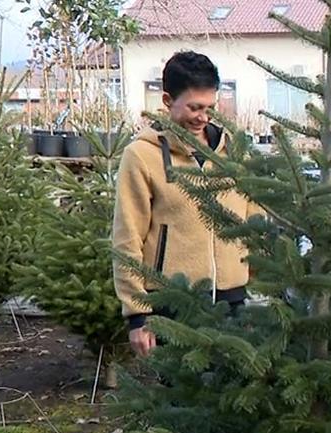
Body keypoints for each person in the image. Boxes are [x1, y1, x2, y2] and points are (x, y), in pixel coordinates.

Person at [112, 51, 263, 357]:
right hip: (172, 304)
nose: (203, 117)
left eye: (210, 107)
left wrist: (261, 284)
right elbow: (127, 238)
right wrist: (137, 315)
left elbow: (254, 219)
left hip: (233, 303)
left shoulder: (235, 152)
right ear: (167, 100)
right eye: (194, 107)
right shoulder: (141, 155)